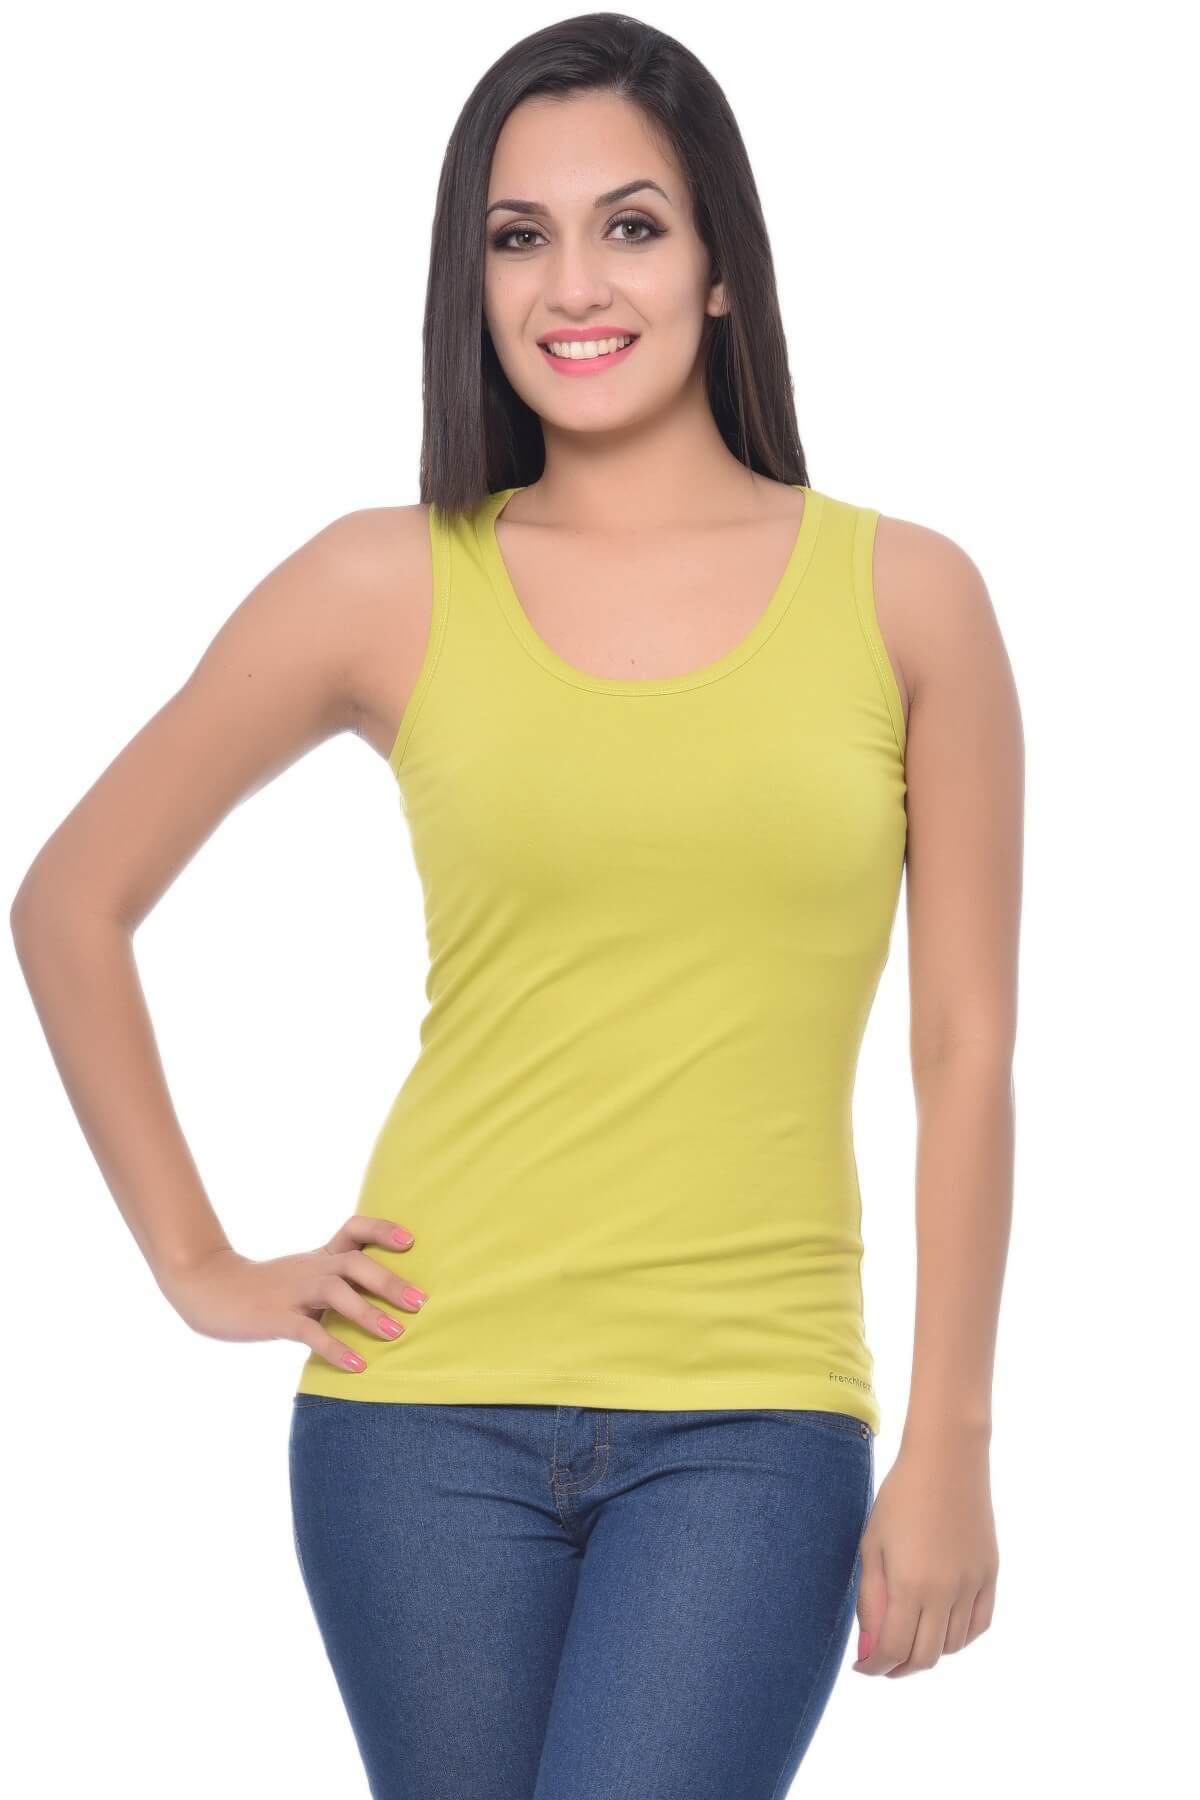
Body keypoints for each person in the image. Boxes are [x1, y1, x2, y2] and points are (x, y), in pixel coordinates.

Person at [10, 14, 1021, 1797]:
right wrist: (198, 1267)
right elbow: (71, 902)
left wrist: (951, 1434)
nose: (575, 284)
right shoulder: (384, 581)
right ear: (469, 279)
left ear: (719, 264)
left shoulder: (907, 597)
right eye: (517, 235)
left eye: (631, 225)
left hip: (753, 1413)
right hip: (417, 1421)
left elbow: (967, 1048)